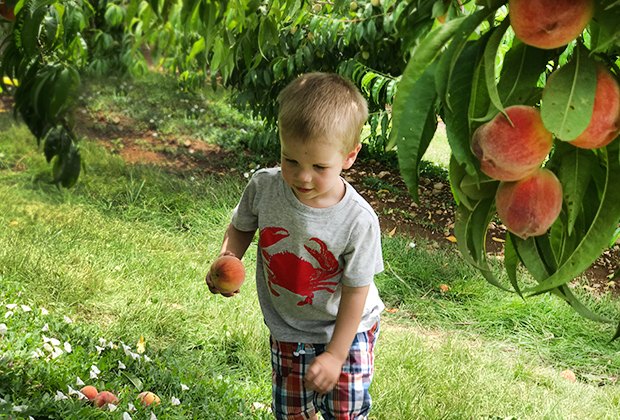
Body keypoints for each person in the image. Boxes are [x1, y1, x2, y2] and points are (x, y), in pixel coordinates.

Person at [206, 72, 384, 420]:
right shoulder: (264, 187)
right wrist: (229, 258)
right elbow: (241, 227)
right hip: (288, 326)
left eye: (319, 166)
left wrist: (334, 355)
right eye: (291, 160)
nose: (303, 177)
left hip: (347, 329)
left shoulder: (358, 220)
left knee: (344, 412)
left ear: (349, 156)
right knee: (291, 412)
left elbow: (355, 291)